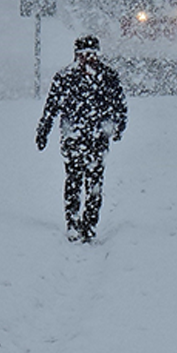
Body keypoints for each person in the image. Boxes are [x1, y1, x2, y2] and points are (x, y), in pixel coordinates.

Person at [36, 35, 128, 243]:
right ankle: (73, 222)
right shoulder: (65, 77)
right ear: (76, 55)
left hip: (98, 138)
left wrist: (119, 126)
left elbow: (120, 105)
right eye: (84, 54)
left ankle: (89, 225)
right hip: (73, 138)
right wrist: (43, 130)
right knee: (73, 181)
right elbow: (51, 107)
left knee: (95, 185)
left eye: (92, 54)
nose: (88, 58)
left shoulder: (108, 77)